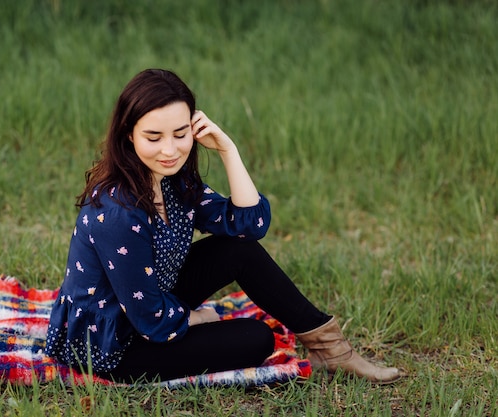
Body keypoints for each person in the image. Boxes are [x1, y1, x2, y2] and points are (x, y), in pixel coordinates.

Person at [45, 69, 402, 384]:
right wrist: (200, 317)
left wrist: (228, 150)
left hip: (151, 300)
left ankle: (333, 351)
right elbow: (149, 320)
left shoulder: (174, 182)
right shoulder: (117, 210)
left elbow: (250, 226)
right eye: (154, 137)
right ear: (128, 135)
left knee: (237, 250)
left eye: (180, 133)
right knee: (257, 338)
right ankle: (324, 352)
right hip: (111, 342)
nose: (169, 149)